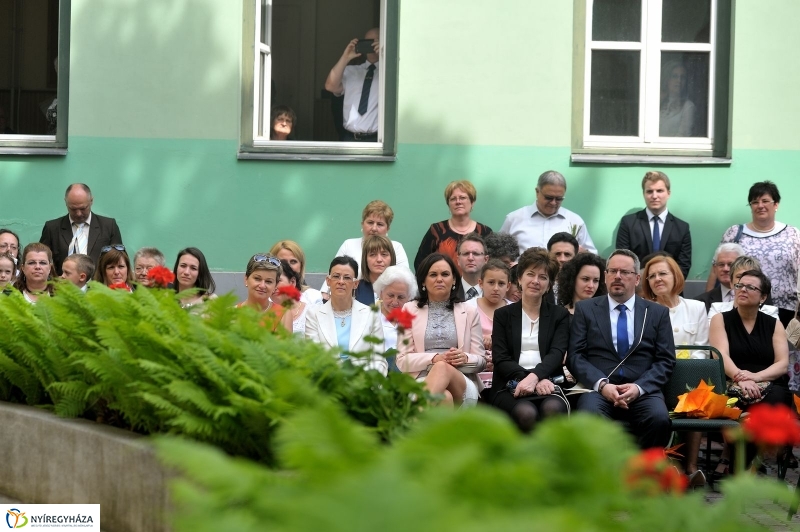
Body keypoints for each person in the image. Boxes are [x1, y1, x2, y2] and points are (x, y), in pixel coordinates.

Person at [567, 249, 676, 448]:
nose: (617, 276)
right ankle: (602, 475)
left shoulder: (657, 313)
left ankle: (642, 474)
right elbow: (576, 356)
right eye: (612, 271)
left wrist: (639, 387)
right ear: (605, 276)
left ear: (637, 279)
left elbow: (666, 360)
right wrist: (601, 384)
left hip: (643, 390)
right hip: (599, 390)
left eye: (624, 272)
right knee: (588, 417)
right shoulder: (586, 309)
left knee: (659, 419)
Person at [709, 269, 791, 474]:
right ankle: (743, 471)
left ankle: (740, 470)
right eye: (740, 285)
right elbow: (719, 355)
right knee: (737, 411)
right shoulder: (720, 319)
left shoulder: (774, 324)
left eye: (750, 287)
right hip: (730, 382)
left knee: (765, 412)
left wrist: (755, 377)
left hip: (770, 384)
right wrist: (739, 377)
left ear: (763, 297)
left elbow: (782, 364)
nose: (742, 290)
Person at [640, 254, 709, 486]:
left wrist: (683, 374)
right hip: (655, 380)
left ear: (675, 276)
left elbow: (702, 350)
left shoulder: (697, 308)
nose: (657, 279)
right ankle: (669, 468)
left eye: (663, 273)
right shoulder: (644, 310)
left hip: (687, 377)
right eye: (651, 276)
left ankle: (691, 467)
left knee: (696, 401)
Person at [488, 248, 571, 432]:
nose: (535, 281)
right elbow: (500, 358)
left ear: (549, 285)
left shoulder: (559, 314)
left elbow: (557, 353)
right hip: (510, 384)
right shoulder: (503, 315)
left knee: (553, 409)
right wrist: (527, 379)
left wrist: (537, 377)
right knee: (526, 413)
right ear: (519, 278)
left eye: (543, 277)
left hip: (548, 382)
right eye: (530, 274)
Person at [396, 253, 487, 407]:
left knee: (442, 367)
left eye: (445, 274)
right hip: (420, 380)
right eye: (433, 275)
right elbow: (402, 360)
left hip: (461, 380)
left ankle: (410, 420)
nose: (439, 279)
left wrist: (464, 358)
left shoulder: (469, 311)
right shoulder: (408, 309)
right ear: (423, 280)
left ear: (454, 280)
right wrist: (434, 358)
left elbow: (481, 361)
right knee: (444, 398)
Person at [708, 181, 800, 326]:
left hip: (787, 307)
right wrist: (709, 300)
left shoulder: (793, 234)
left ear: (776, 204)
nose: (760, 205)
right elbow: (717, 267)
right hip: (745, 306)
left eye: (765, 201)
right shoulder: (735, 233)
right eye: (755, 202)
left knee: (784, 347)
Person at [305, 256, 387, 375]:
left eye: (347, 278)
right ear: (328, 281)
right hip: (329, 383)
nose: (341, 281)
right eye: (336, 276)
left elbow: (379, 359)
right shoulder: (314, 314)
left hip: (364, 383)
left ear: (355, 284)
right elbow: (313, 358)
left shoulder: (370, 314)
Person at [500, 170, 597, 255]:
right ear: (537, 192)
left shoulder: (575, 221)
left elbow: (592, 256)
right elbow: (499, 252)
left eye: (559, 199)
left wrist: (582, 252)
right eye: (549, 198)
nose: (553, 203)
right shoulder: (514, 219)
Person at [322, 200, 408, 294]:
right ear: (362, 224)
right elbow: (331, 280)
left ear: (387, 228)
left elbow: (404, 281)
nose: (374, 228)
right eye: (370, 222)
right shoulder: (349, 245)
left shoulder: (396, 247)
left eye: (380, 224)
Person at [616, 171, 692, 278]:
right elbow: (623, 260)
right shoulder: (628, 223)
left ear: (668, 193)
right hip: (636, 288)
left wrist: (665, 285)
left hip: (670, 291)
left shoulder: (682, 228)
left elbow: (684, 266)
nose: (654, 196)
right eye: (649, 191)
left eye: (659, 191)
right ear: (644, 194)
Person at [39, 184, 123, 275]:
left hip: (99, 286)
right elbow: (41, 261)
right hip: (63, 286)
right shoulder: (52, 228)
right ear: (66, 202)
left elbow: (118, 260)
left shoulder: (109, 226)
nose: (78, 214)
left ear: (91, 201)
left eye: (83, 208)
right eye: (73, 209)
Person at [414, 180, 493, 269]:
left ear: (472, 202)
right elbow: (420, 263)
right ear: (448, 204)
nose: (458, 202)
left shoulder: (485, 232)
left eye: (462, 198)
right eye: (453, 199)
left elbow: (493, 265)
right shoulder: (436, 230)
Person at [324, 28, 381, 142]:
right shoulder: (351, 71)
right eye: (368, 42)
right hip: (349, 138)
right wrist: (346, 57)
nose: (372, 45)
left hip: (375, 139)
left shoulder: (388, 73)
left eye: (377, 41)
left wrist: (386, 55)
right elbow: (330, 86)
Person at [707, 255, 780, 323]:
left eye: (749, 276)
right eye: (739, 276)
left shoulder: (770, 312)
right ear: (731, 283)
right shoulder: (717, 309)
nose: (744, 281)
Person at [373, 265, 418, 371]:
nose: (395, 302)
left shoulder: (414, 319)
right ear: (381, 293)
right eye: (390, 295)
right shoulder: (369, 317)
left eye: (401, 297)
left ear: (409, 297)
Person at [467, 259, 511, 362]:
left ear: (508, 286)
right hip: (475, 365)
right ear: (480, 283)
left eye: (501, 284)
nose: (496, 288)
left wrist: (495, 339)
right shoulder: (468, 308)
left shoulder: (515, 310)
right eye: (491, 282)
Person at [237, 254, 293, 331]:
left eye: (268, 281)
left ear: (275, 286)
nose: (262, 285)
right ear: (246, 279)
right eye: (257, 279)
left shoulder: (284, 314)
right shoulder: (230, 313)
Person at [269, 240, 324, 306]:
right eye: (282, 262)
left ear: (301, 266)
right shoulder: (263, 298)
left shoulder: (313, 297)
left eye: (293, 262)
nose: (288, 266)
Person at [694, 243, 744, 312]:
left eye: (730, 264)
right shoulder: (700, 303)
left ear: (743, 267)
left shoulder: (757, 298)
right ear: (715, 269)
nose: (725, 269)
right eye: (721, 264)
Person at [354, 235, 395, 306]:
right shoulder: (355, 289)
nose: (379, 259)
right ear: (365, 259)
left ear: (392, 258)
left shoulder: (401, 288)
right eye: (373, 255)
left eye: (384, 254)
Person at [659, 60, 696, 137]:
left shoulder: (688, 106)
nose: (679, 80)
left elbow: (682, 137)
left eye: (682, 77)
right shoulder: (658, 101)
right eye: (674, 76)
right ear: (667, 79)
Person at [274, 260, 308, 335]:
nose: (273, 286)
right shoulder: (262, 310)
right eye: (269, 281)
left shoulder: (311, 312)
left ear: (292, 282)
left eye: (278, 281)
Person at [547, 232, 579, 304]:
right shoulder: (538, 282)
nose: (562, 259)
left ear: (576, 258)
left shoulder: (582, 285)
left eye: (567, 254)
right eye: (557, 254)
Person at [455, 233, 488, 301]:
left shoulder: (495, 292)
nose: (470, 258)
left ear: (486, 259)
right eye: (466, 253)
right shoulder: (449, 292)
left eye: (476, 253)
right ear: (458, 260)